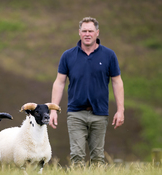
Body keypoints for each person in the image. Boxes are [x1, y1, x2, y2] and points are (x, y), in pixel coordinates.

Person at [49, 17, 124, 166]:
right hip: (76, 113)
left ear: (97, 32)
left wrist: (120, 110)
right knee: (77, 156)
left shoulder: (109, 55)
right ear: (79, 33)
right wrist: (53, 109)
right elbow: (59, 82)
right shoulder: (68, 56)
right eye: (84, 31)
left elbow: (117, 82)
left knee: (97, 158)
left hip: (100, 113)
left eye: (90, 31)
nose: (87, 34)